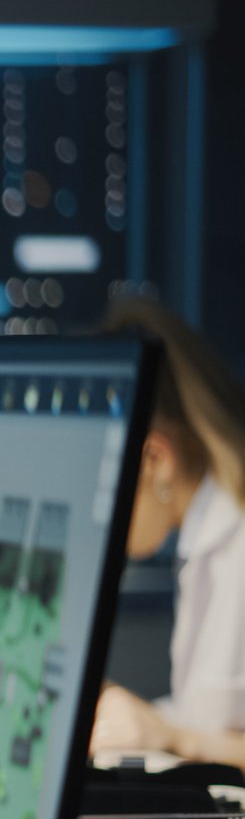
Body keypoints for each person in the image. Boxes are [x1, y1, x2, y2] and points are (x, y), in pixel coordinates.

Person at [89, 299, 245, 770]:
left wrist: (174, 737)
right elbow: (213, 720)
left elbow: (202, 736)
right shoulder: (204, 541)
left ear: (156, 458)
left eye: (104, 477)